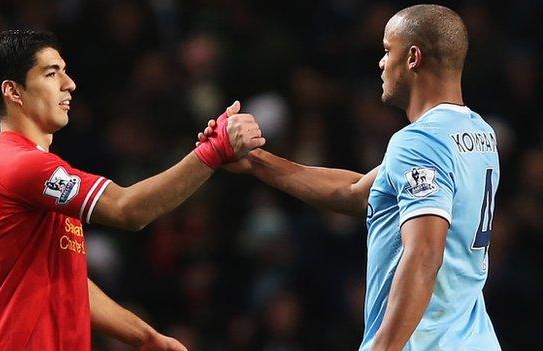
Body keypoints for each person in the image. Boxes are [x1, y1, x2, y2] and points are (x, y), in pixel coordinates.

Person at [199, 4, 500, 350]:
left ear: (413, 57)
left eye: (388, 50)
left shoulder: (419, 142)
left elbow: (423, 255)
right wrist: (255, 162)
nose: (381, 63)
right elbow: (357, 190)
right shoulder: (478, 133)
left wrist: (383, 347)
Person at [0, 29, 265, 350]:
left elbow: (68, 280)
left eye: (65, 72)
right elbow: (127, 210)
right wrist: (214, 151)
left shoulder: (16, 167)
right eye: (52, 73)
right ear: (13, 91)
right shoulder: (17, 165)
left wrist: (147, 338)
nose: (70, 84)